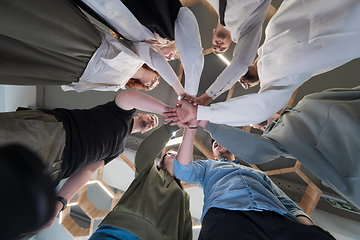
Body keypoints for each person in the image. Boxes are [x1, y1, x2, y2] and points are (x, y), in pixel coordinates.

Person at [0, 90, 173, 232]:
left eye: (153, 124)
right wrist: (168, 111)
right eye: (151, 118)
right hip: (54, 135)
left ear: (144, 132)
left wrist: (60, 202)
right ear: (141, 112)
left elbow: (88, 171)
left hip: (54, 168)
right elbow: (128, 97)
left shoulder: (118, 149)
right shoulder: (120, 113)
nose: (152, 121)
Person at [189, 0, 360, 126]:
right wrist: (203, 110)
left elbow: (240, 63)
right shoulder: (278, 79)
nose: (218, 47)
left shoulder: (265, 29)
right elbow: (259, 110)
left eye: (217, 48)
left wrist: (205, 100)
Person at [194, 85, 360, 210]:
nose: (258, 125)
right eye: (255, 125)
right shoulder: (280, 138)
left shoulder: (310, 100)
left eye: (256, 120)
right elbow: (256, 151)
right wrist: (205, 123)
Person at [173, 123, 336, 239]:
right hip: (226, 216)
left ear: (234, 148)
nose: (218, 143)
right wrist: (190, 129)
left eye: (220, 141)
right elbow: (182, 170)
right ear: (214, 155)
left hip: (275, 216)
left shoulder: (257, 173)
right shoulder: (207, 166)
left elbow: (287, 203)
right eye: (215, 144)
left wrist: (310, 229)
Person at [0, 0, 186, 96]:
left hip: (75, 71)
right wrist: (178, 89)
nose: (153, 83)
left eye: (151, 86)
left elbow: (90, 86)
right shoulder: (141, 53)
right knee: (38, 25)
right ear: (155, 72)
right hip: (87, 44)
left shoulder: (119, 86)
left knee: (25, 57)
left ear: (143, 86)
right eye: (157, 80)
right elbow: (155, 57)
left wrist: (71, 82)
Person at [79, 0, 204, 99]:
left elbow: (155, 58)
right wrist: (189, 93)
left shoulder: (139, 46)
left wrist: (182, 93)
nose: (170, 58)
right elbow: (191, 50)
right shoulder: (172, 27)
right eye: (176, 55)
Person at [89, 122, 192, 240]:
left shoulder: (183, 196)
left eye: (177, 154)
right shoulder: (148, 171)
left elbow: (185, 230)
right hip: (118, 227)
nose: (173, 155)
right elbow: (146, 151)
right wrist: (173, 125)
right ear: (161, 161)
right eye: (168, 153)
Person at [196, 0, 271, 106]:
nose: (218, 46)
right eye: (222, 49)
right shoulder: (246, 30)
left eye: (215, 47)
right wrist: (206, 97)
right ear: (231, 41)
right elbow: (241, 63)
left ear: (213, 33)